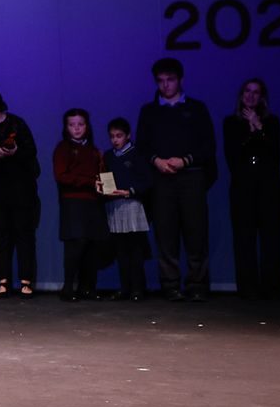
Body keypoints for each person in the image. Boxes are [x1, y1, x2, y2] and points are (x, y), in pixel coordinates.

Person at [135, 57, 216, 302]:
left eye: (170, 80)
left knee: (195, 232)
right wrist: (157, 161)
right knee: (166, 233)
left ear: (180, 79)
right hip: (162, 180)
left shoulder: (196, 108)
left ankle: (197, 284)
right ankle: (170, 284)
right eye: (161, 81)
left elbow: (208, 146)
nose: (166, 85)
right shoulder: (149, 111)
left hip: (191, 177)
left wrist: (185, 160)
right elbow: (142, 146)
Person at [223, 78, 280, 300]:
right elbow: (232, 155)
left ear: (262, 98)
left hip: (268, 187)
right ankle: (248, 288)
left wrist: (259, 127)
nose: (250, 96)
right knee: (244, 238)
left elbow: (275, 154)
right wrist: (250, 132)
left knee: (271, 238)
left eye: (256, 92)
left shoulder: (272, 122)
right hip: (243, 187)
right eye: (247, 91)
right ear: (241, 95)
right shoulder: (231, 122)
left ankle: (272, 288)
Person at [0, 88, 39, 297]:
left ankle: (26, 281)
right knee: (1, 235)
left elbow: (31, 151)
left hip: (20, 190)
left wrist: (15, 151)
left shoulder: (16, 124)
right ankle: (3, 281)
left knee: (23, 234)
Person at [52, 109, 109, 302]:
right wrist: (89, 182)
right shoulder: (63, 148)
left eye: (80, 124)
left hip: (93, 202)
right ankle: (68, 288)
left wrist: (104, 185)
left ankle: (88, 288)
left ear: (87, 126)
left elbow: (102, 176)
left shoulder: (94, 150)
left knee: (92, 245)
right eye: (72, 125)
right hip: (73, 201)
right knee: (76, 244)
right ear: (66, 127)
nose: (76, 128)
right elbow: (61, 176)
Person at [102, 118, 153, 301]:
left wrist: (130, 191)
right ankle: (125, 288)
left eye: (119, 136)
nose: (115, 140)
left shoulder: (137, 154)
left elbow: (148, 181)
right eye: (112, 136)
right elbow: (105, 178)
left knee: (135, 250)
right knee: (121, 251)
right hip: (115, 206)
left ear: (128, 135)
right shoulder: (108, 156)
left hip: (132, 205)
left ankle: (138, 289)